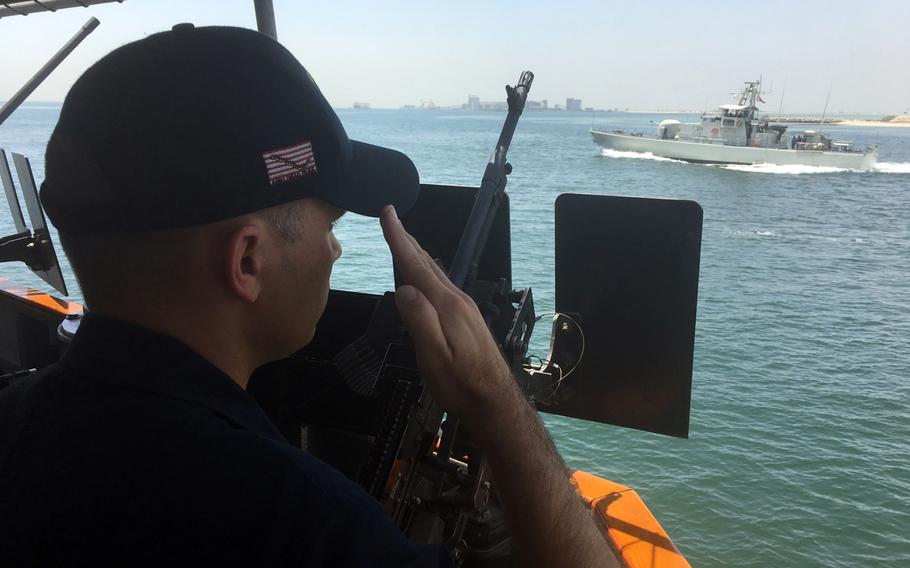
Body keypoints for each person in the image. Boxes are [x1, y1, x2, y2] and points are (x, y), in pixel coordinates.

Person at [0, 25, 616, 567]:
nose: (335, 253)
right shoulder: (307, 528)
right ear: (247, 260)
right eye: (331, 225)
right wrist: (497, 404)